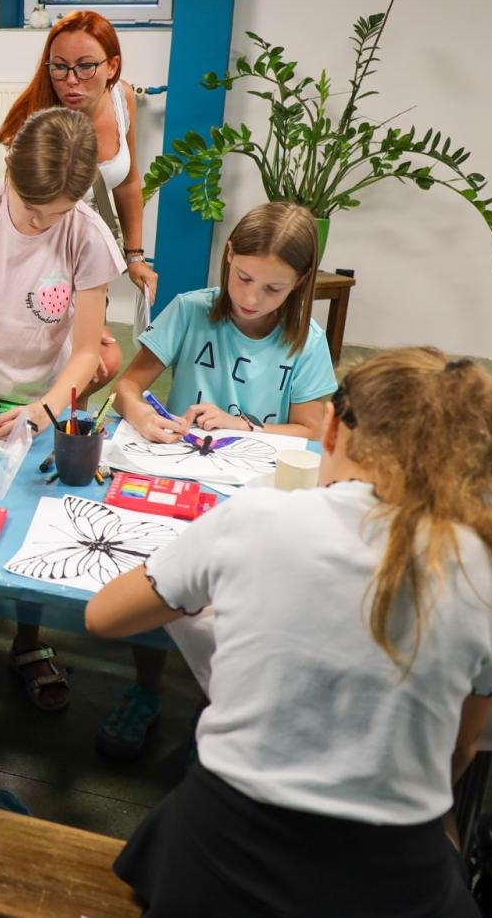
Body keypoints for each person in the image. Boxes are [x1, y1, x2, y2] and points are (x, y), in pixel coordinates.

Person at [86, 347, 492, 917]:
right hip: (391, 871)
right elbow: (458, 749)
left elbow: (103, 616)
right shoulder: (489, 566)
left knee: (173, 819)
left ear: (329, 432)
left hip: (223, 857)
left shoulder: (255, 517)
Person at [97, 201, 336, 759]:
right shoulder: (190, 310)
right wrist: (138, 413)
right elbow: (130, 386)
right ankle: (148, 686)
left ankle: (224, 706)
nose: (251, 298)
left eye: (273, 290)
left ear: (301, 283)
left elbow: (311, 429)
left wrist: (243, 424)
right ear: (227, 256)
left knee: (251, 593)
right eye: (243, 278)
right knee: (161, 574)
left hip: (258, 495)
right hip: (181, 478)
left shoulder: (307, 341)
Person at [0, 106, 122, 712]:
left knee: (38, 515)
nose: (38, 222)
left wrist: (44, 409)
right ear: (8, 168)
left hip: (50, 397)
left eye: (52, 213)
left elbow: (86, 350)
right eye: (30, 206)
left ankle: (28, 639)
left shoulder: (87, 234)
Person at [0, 10, 155, 388]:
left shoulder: (123, 101)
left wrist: (135, 257)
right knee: (77, 364)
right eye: (59, 67)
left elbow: (128, 181)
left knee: (94, 367)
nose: (71, 81)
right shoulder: (37, 118)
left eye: (86, 67)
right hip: (42, 255)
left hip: (89, 255)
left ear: (112, 65)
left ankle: (67, 437)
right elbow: (21, 214)